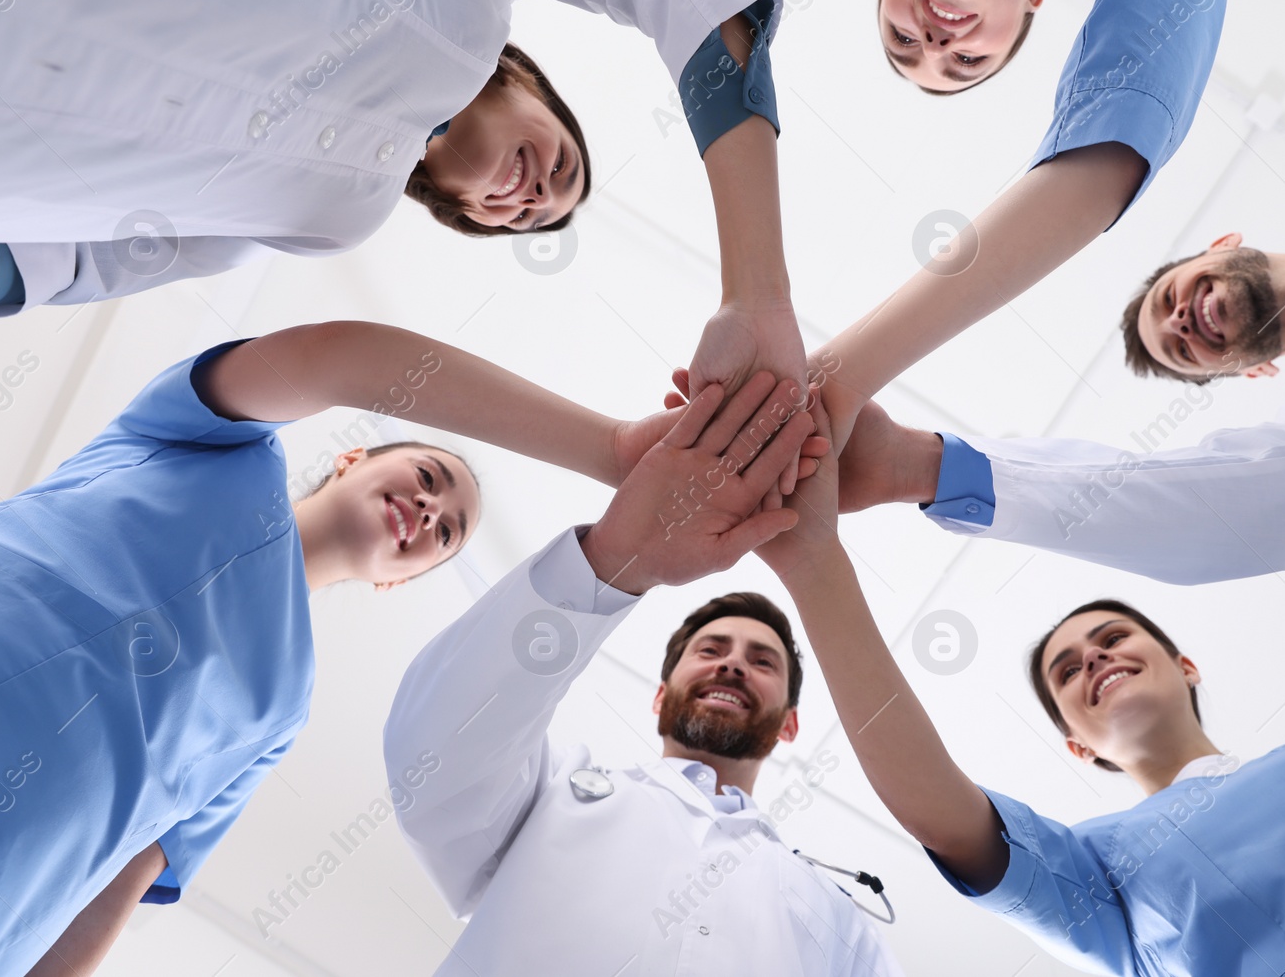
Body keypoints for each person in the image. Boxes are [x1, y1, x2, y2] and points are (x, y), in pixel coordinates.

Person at [0, 318, 757, 977]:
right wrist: (611, 449)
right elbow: (337, 358)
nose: (429, 511)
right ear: (351, 457)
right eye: (429, 477)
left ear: (401, 579)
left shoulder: (279, 708)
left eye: (447, 531)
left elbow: (120, 880)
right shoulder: (204, 441)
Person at [753, 407, 1285, 974]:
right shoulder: (1099, 873)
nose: (1094, 661)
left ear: (1186, 664)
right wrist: (816, 561)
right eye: (1068, 671)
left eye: (1111, 639)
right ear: (1077, 742)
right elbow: (936, 806)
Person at [0, 0, 807, 407]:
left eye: (526, 218)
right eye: (564, 169)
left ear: (466, 214)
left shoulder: (317, 225)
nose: (537, 196)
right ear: (535, 85)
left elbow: (61, 265)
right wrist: (755, 296)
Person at [826, 44, 1285, 584]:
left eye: (1171, 298)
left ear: (1220, 244)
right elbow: (1205, 516)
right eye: (1183, 351)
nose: (1179, 322)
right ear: (1256, 370)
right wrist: (917, 466)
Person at [382, 374, 901, 976]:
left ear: (789, 725)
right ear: (660, 696)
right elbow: (435, 757)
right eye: (710, 650)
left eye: (762, 662)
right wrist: (613, 558)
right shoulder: (549, 794)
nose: (732, 663)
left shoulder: (836, 922)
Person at [812, 0, 1231, 451]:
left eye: (902, 38)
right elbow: (1110, 151)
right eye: (967, 60)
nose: (936, 45)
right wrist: (838, 381)